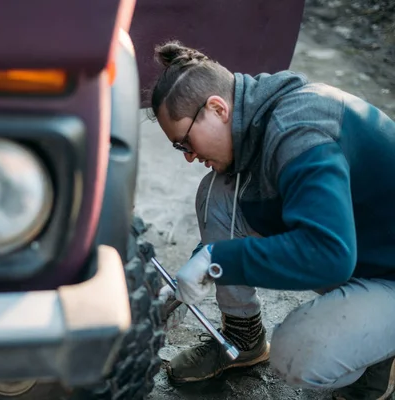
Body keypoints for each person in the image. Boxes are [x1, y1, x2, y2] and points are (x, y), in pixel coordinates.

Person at [150, 40, 395, 400]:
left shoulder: (298, 131)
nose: (188, 157)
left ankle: (379, 355)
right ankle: (243, 337)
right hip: (365, 245)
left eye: (185, 143)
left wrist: (216, 262)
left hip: (382, 269)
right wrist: (193, 272)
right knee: (218, 193)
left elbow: (330, 255)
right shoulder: (260, 120)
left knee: (297, 354)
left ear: (217, 108)